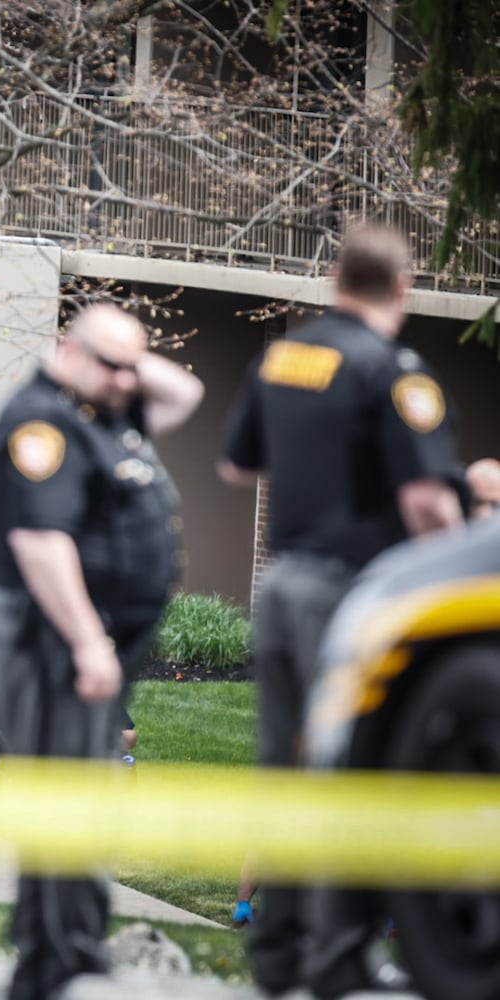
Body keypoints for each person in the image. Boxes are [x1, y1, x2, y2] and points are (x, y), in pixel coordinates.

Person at [218, 223, 463, 997]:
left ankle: (277, 953)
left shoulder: (286, 357)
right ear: (403, 287)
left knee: (284, 769)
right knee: (353, 769)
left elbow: (235, 463)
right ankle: (340, 958)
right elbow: (426, 500)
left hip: (282, 582)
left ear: (333, 279)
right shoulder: (395, 371)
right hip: (355, 594)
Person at [0, 302, 203, 1000]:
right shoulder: (38, 423)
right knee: (63, 801)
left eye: (133, 365)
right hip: (52, 641)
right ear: (66, 352)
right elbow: (42, 546)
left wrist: (119, 361)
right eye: (111, 364)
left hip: (90, 642)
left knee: (84, 794)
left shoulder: (104, 406)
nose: (128, 379)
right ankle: (50, 962)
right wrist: (89, 642)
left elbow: (184, 393)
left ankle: (71, 951)